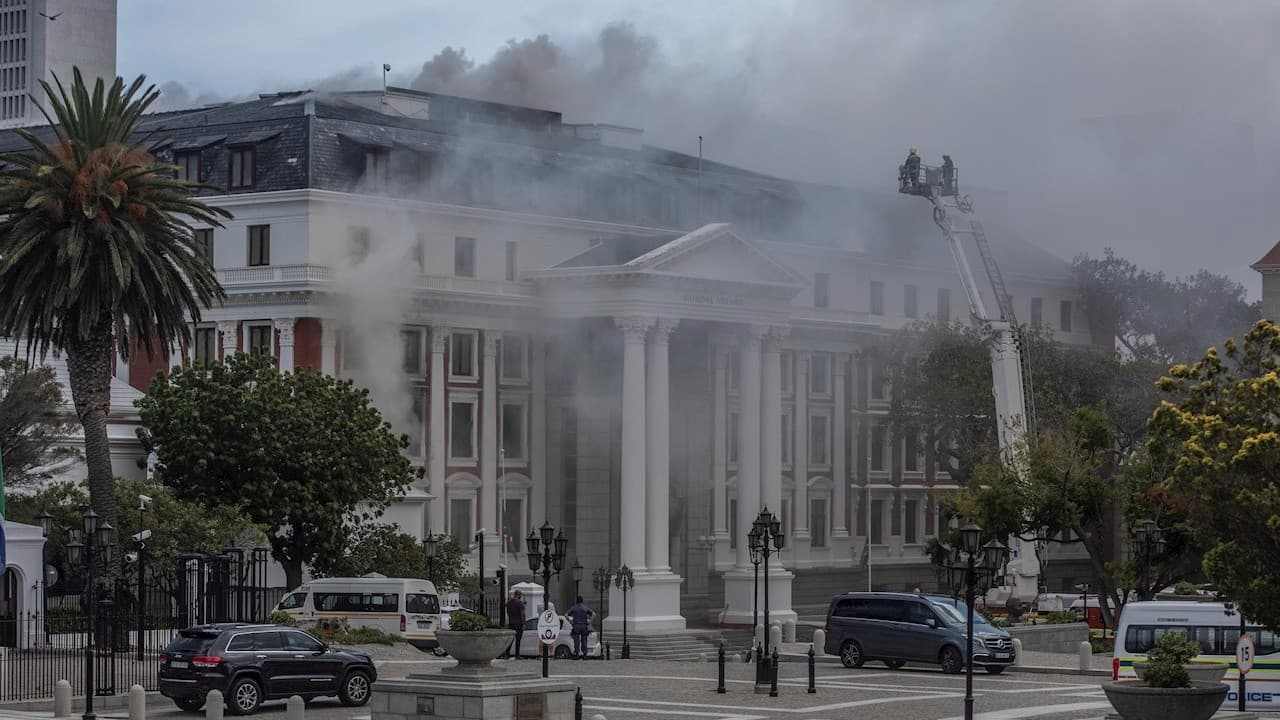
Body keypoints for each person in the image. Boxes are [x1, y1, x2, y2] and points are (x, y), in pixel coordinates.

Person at [503, 590, 526, 659]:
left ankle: (507, 654)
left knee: (510, 639)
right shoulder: (520, 603)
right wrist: (524, 623)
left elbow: (507, 612)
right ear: (519, 595)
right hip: (518, 623)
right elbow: (522, 614)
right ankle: (517, 655)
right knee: (518, 640)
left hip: (511, 622)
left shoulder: (509, 603)